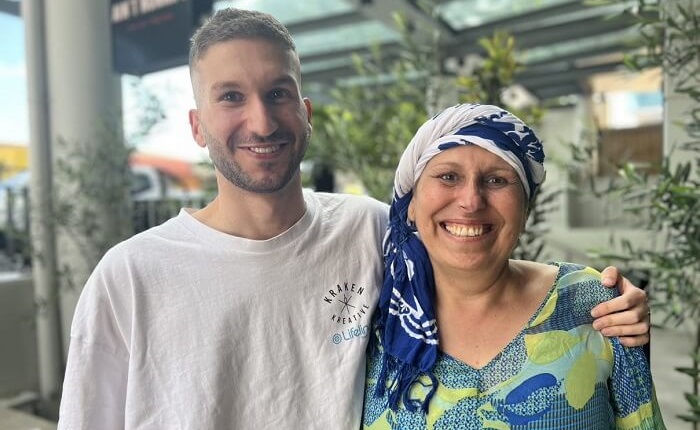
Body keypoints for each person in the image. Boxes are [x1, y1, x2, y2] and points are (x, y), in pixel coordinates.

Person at [58, 8, 651, 430]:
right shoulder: (130, 277)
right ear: (196, 124)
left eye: (279, 92)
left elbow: (471, 255)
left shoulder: (369, 230)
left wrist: (596, 296)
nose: (261, 121)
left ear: (306, 112)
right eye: (231, 96)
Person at [363, 103, 665, 429]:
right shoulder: (372, 320)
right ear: (411, 204)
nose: (471, 201)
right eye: (448, 176)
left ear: (525, 208)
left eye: (496, 180)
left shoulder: (591, 302)